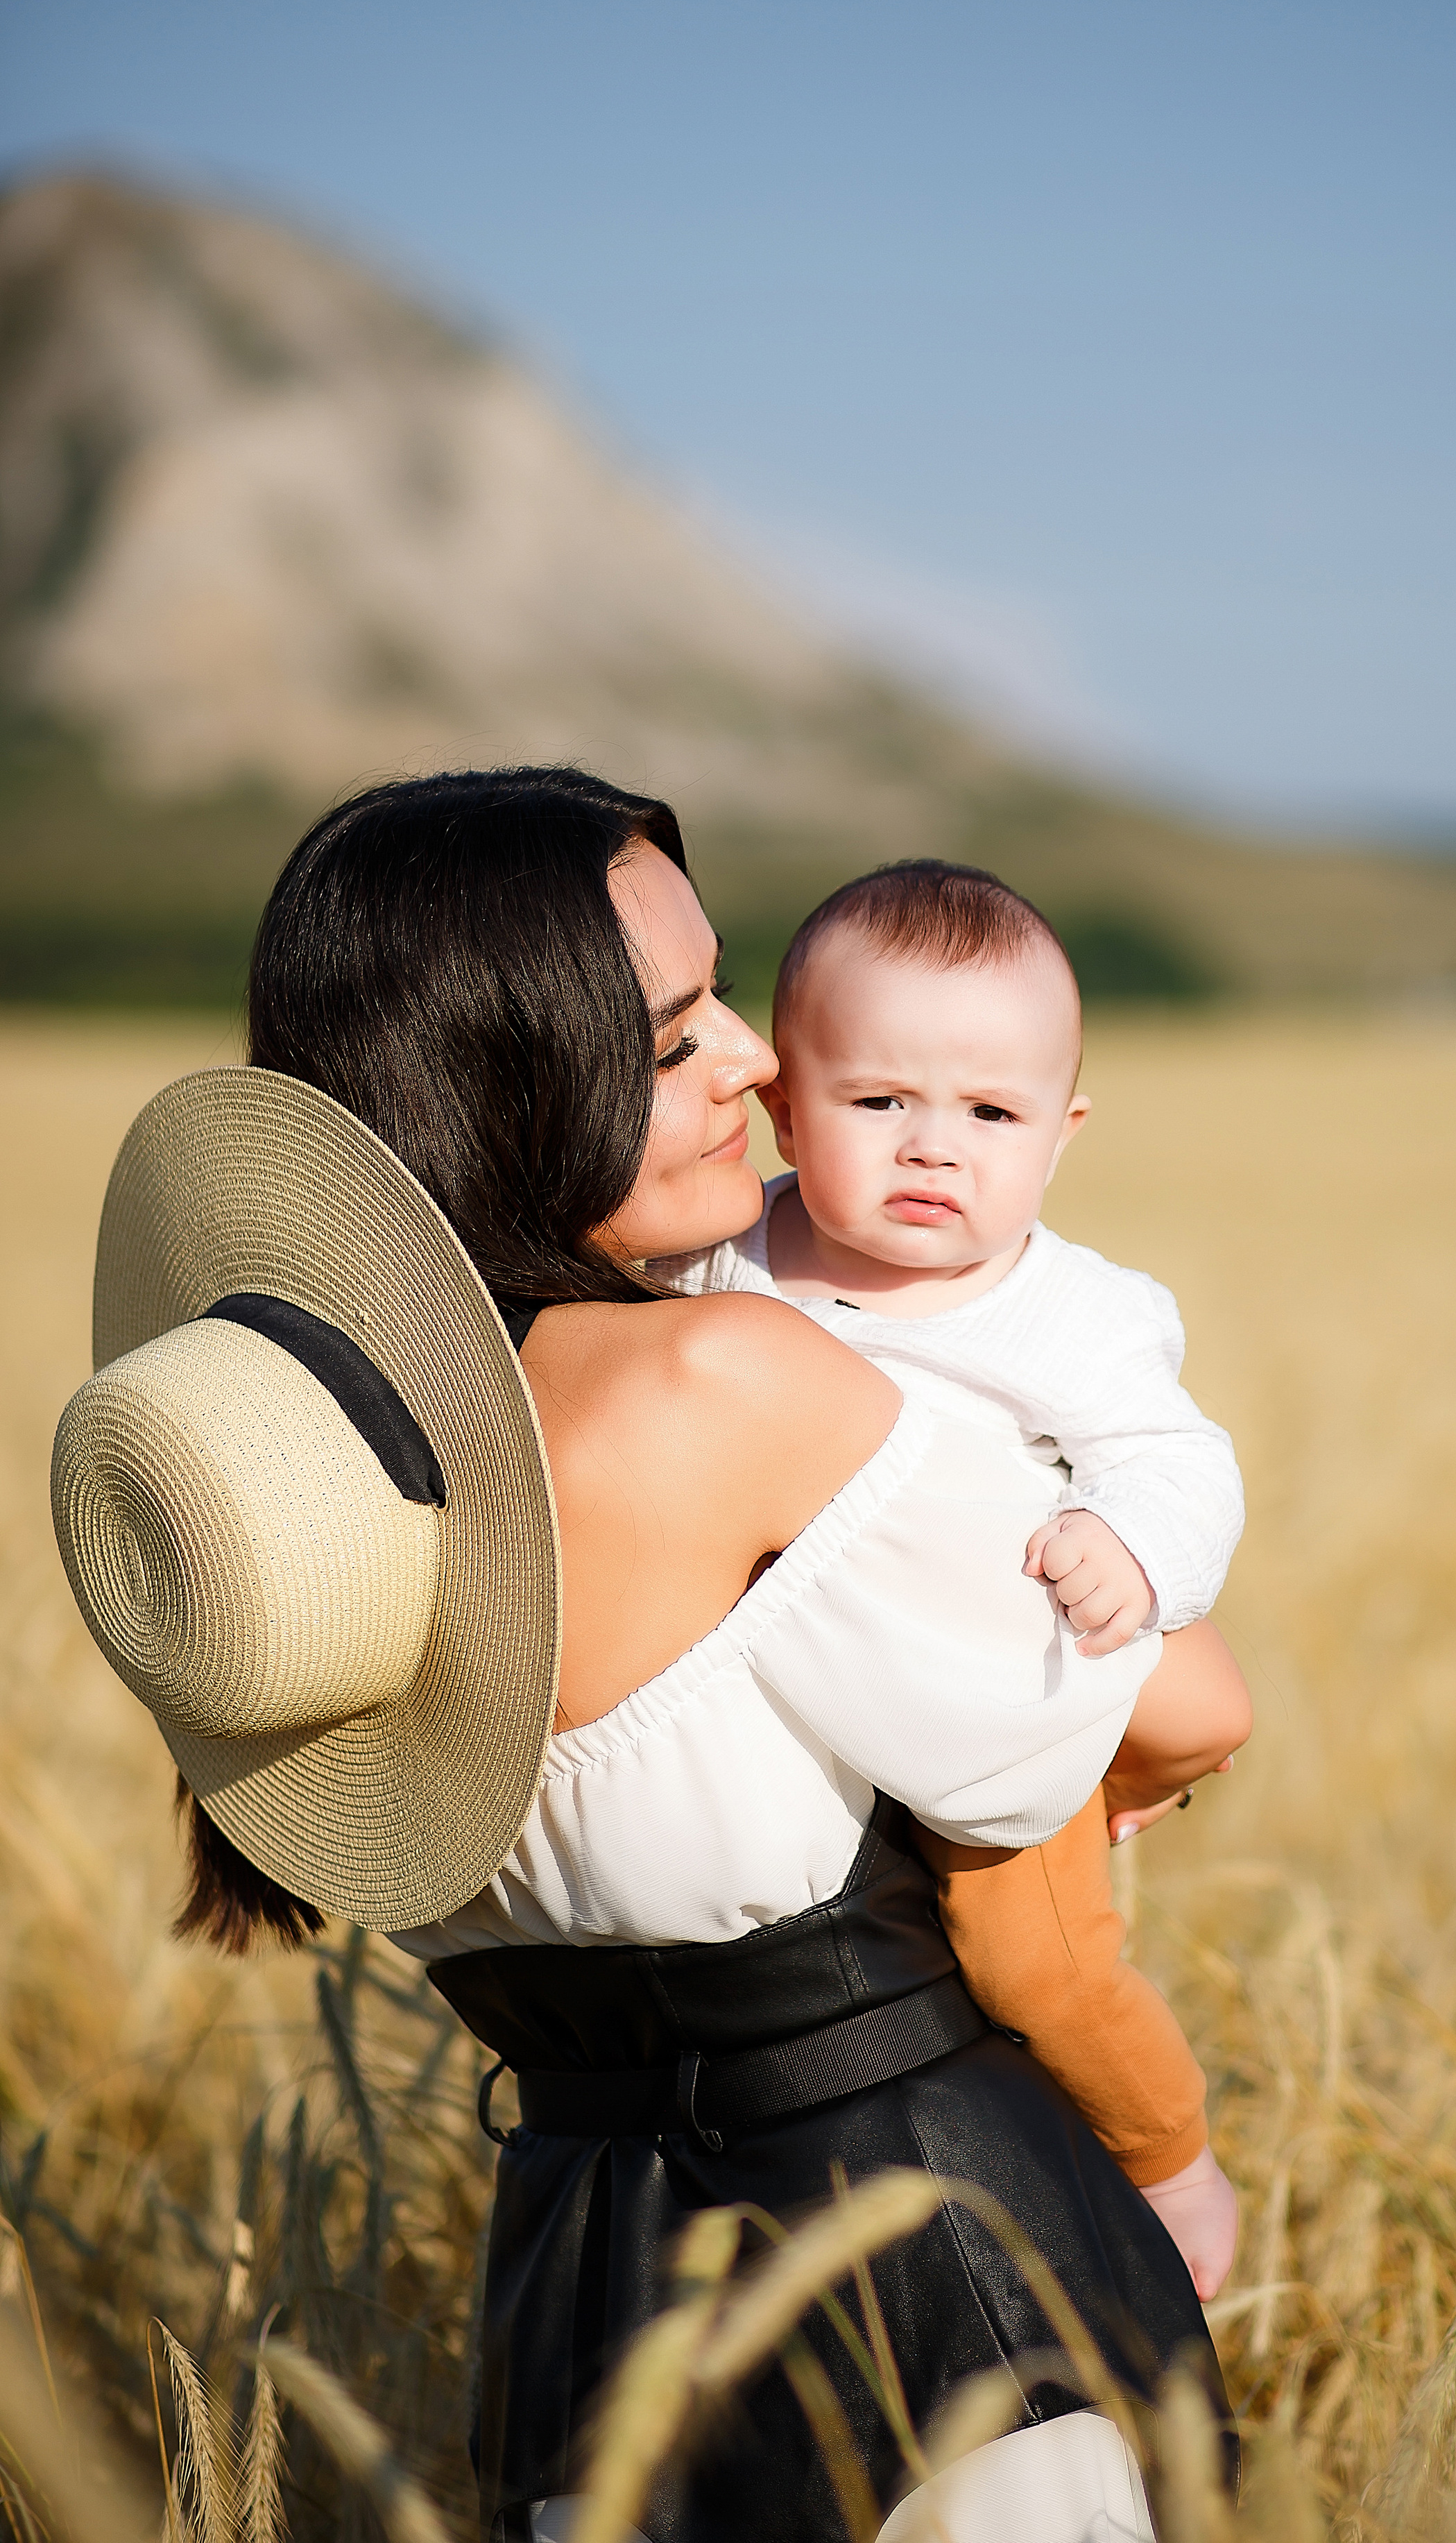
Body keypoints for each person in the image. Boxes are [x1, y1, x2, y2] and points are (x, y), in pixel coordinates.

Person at [50, 767, 1239, 2543]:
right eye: (676, 1034)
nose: (758, 1059)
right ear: (514, 1084)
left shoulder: (292, 1493)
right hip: (935, 2298)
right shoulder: (726, 1384)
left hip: (578, 2325)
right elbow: (1152, 1713)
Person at [661, 858, 1249, 2298]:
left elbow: (1181, 1464)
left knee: (1034, 1969)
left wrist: (1129, 1546)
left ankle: (1167, 2169)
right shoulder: (724, 1266)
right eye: (879, 1105)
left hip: (997, 1704)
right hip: (817, 1705)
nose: (935, 1149)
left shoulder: (1068, 1314)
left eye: (990, 1114)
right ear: (783, 1105)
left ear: (1058, 1136)